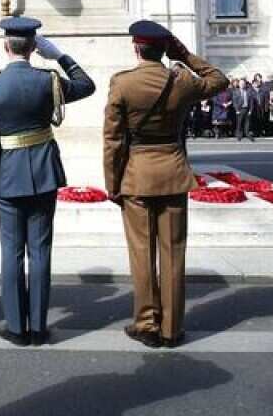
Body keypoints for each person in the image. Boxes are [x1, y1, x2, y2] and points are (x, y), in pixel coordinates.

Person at [103, 21, 228, 348]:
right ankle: (172, 328)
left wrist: (112, 183)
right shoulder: (183, 79)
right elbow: (219, 79)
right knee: (173, 253)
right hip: (173, 170)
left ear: (136, 47)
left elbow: (113, 141)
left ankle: (146, 323)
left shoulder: (123, 83)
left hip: (138, 174)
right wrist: (185, 55)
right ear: (164, 48)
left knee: (142, 253)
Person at [0, 16, 96, 347]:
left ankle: (17, 328)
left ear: (6, 46)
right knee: (40, 251)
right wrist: (60, 56)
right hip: (44, 173)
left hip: (7, 177)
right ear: (33, 47)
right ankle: (39, 327)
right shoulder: (50, 80)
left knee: (12, 252)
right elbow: (87, 85)